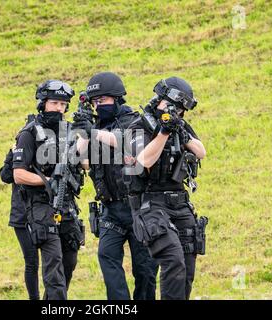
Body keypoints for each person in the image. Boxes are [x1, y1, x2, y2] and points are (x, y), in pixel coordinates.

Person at [72, 72, 157, 300]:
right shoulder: (95, 126)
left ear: (117, 99)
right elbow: (82, 160)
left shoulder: (135, 121)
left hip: (140, 208)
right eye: (95, 102)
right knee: (107, 256)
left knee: (145, 270)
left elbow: (125, 141)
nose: (99, 106)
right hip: (111, 210)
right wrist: (83, 131)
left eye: (103, 101)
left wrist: (93, 132)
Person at [125, 76, 207, 300]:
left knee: (187, 269)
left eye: (182, 110)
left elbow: (201, 152)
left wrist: (178, 126)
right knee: (173, 260)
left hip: (179, 202)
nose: (179, 113)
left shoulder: (179, 123)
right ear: (162, 100)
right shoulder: (138, 126)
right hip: (150, 204)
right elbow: (144, 160)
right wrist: (163, 132)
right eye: (176, 108)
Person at [12, 80, 85, 300]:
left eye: (63, 105)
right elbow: (18, 174)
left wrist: (86, 139)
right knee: (53, 266)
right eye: (54, 103)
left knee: (69, 261)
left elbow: (86, 164)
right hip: (42, 205)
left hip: (67, 204)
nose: (59, 109)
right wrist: (48, 181)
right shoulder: (29, 133)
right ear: (43, 103)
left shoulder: (70, 131)